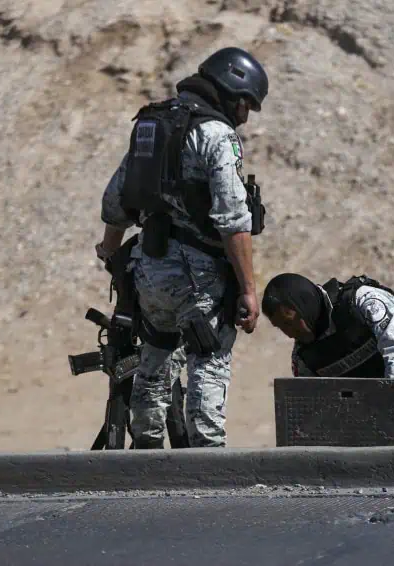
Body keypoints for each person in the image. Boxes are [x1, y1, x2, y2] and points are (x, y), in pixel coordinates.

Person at [95, 46, 270, 449]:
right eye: (245, 104)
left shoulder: (150, 124)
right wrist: (247, 288)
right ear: (230, 90)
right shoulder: (216, 135)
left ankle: (148, 452)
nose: (244, 116)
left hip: (150, 272)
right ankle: (206, 458)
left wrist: (110, 252)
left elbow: (116, 200)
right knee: (208, 361)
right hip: (200, 278)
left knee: (154, 359)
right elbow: (232, 220)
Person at [261, 273, 394, 445]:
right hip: (380, 420)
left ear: (305, 305)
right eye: (281, 327)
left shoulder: (364, 302)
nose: (289, 333)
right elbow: (314, 410)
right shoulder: (305, 357)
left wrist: (393, 417)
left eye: (290, 322)